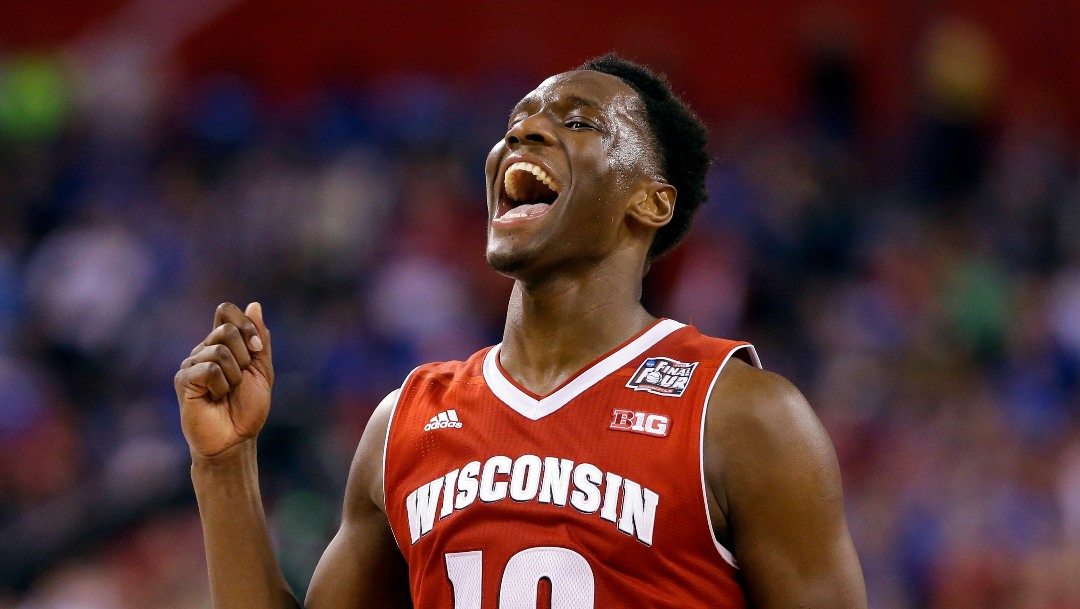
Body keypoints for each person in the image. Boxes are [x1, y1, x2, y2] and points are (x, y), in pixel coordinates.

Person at [174, 54, 867, 608]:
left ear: (650, 200)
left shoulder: (743, 415)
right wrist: (224, 465)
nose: (525, 132)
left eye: (580, 122)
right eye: (519, 119)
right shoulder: (406, 423)